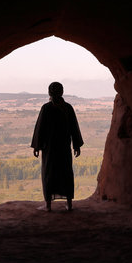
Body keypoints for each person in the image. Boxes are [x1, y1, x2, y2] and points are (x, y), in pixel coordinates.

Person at [31, 82, 84, 212]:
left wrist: (37, 146)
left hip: (49, 149)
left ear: (49, 93)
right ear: (62, 92)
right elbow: (74, 129)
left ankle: (48, 206)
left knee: (49, 174)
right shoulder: (67, 108)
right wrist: (76, 145)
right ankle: (69, 204)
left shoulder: (46, 108)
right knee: (65, 173)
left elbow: (40, 129)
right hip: (64, 148)